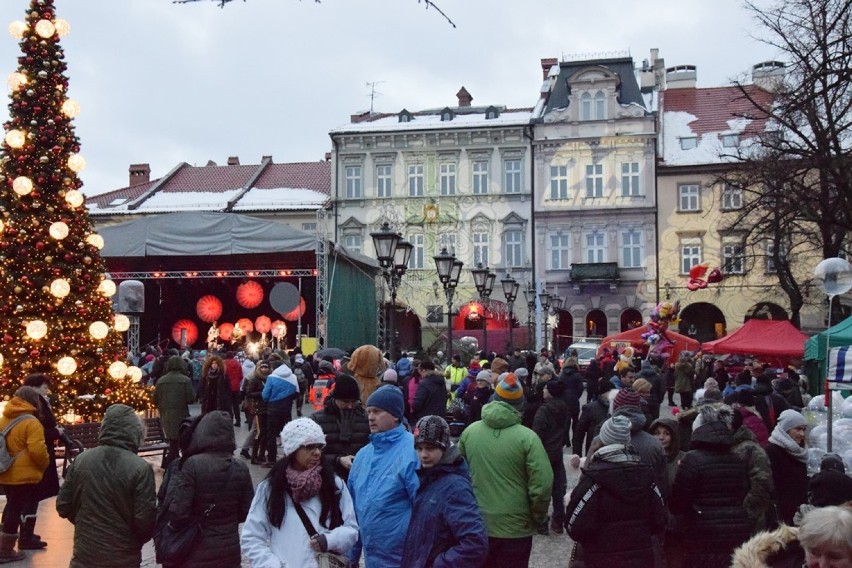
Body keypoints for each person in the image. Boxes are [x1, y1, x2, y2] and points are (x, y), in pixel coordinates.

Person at [459, 378, 552, 568]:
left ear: (494, 398)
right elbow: (542, 485)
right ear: (520, 405)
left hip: (478, 523)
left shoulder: (470, 432)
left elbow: (458, 476)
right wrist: (538, 516)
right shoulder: (528, 438)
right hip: (516, 527)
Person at [241, 418, 359, 567]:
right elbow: (252, 536)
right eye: (310, 447)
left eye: (319, 446)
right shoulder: (270, 487)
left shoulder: (334, 484)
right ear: (293, 449)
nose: (317, 452)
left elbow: (352, 529)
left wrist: (329, 540)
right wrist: (273, 565)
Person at [56, 404, 157, 567]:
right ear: (136, 431)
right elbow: (144, 520)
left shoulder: (82, 460)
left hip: (85, 554)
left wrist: (87, 523)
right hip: (123, 556)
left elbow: (63, 505)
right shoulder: (139, 468)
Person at [565, 415, 667, 568]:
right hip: (640, 558)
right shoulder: (647, 477)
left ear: (603, 440)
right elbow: (660, 520)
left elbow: (575, 526)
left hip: (600, 558)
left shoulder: (593, 479)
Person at [158, 411, 254, 567]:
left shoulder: (192, 465)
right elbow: (247, 511)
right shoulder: (240, 467)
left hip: (196, 550)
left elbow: (179, 513)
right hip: (229, 551)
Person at [669, 405, 752, 568]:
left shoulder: (692, 459)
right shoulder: (736, 458)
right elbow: (743, 491)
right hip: (736, 527)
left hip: (702, 529)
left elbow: (678, 503)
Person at [401, 416, 489, 568]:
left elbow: (475, 543)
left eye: (430, 448)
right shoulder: (429, 478)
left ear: (444, 448)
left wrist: (439, 564)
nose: (423, 455)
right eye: (419, 448)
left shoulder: (455, 486)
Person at [347, 385, 419, 567]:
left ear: (396, 415)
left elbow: (423, 511)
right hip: (372, 557)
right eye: (369, 412)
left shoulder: (413, 452)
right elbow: (353, 512)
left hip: (403, 558)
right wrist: (351, 557)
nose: (370, 417)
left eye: (377, 412)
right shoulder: (363, 455)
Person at [0, 386, 48, 563]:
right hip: (25, 474)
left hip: (5, 469)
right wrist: (45, 463)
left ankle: (3, 545)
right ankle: (5, 550)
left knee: (11, 507)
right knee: (16, 509)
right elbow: (37, 450)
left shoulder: (4, 419)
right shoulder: (31, 422)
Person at [19, 374, 61, 550]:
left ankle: (25, 533)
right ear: (34, 387)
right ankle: (24, 536)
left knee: (28, 498)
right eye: (44, 386)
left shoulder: (36, 404)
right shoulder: (33, 407)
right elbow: (37, 433)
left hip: (37, 456)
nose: (47, 390)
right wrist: (56, 432)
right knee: (28, 498)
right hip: (36, 458)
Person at [310, 374, 370, 483]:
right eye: (345, 402)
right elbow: (309, 454)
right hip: (328, 479)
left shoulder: (366, 418)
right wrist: (337, 460)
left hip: (360, 478)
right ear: (335, 398)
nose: (350, 406)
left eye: (353, 401)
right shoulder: (316, 419)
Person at [532, 380, 569, 534]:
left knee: (542, 488)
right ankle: (558, 520)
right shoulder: (564, 408)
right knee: (558, 488)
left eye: (546, 388)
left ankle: (541, 521)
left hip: (544, 453)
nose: (543, 390)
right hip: (557, 452)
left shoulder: (544, 410)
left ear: (551, 391)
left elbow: (537, 434)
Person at [765, 409, 809, 526]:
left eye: (804, 429)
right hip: (781, 516)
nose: (802, 434)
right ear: (785, 430)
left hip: (798, 513)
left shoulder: (800, 452)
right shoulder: (771, 451)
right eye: (798, 429)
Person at [153, 355, 196, 468]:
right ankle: (171, 465)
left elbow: (155, 400)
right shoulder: (185, 380)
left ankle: (171, 464)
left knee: (173, 442)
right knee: (178, 442)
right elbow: (191, 399)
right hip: (181, 416)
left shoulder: (161, 381)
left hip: (165, 416)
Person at [262, 362, 300, 465]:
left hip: (273, 410)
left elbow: (265, 395)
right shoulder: (293, 377)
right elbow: (297, 393)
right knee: (287, 434)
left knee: (271, 435)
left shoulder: (271, 377)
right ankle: (287, 458)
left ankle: (271, 459)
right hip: (286, 409)